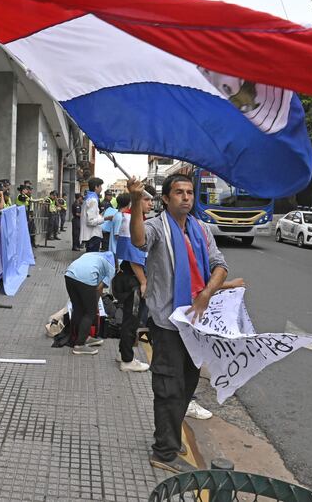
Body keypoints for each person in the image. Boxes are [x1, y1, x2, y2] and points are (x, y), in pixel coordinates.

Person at [129, 173, 228, 474]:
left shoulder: (201, 229)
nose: (185, 197)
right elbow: (138, 240)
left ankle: (170, 436)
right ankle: (164, 451)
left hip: (196, 323)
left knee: (187, 383)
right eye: (178, 192)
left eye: (189, 192)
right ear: (166, 198)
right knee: (168, 384)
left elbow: (220, 265)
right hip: (168, 322)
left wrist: (206, 294)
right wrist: (135, 201)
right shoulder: (158, 227)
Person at [112, 192, 152, 373]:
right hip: (134, 278)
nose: (151, 204)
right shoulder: (132, 221)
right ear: (136, 201)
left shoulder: (128, 217)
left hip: (126, 276)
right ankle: (127, 360)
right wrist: (143, 281)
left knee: (129, 318)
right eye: (146, 199)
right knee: (132, 320)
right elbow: (134, 257)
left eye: (151, 200)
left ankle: (123, 353)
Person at [64, 251, 115, 355]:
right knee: (90, 313)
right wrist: (94, 304)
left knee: (78, 308)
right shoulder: (111, 267)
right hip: (85, 279)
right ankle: (80, 345)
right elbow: (99, 287)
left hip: (69, 275)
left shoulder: (93, 254)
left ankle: (79, 338)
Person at [80, 177, 105, 252]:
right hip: (93, 235)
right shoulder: (93, 200)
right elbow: (90, 221)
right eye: (100, 186)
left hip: (91, 235)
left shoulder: (88, 198)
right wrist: (105, 218)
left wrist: (99, 215)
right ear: (96, 187)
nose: (101, 189)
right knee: (92, 257)